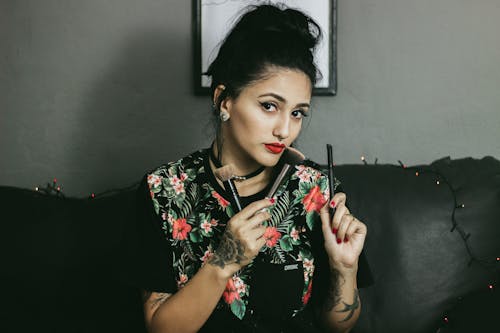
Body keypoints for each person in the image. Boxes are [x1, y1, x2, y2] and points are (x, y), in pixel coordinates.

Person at [132, 4, 372, 333]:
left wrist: (345, 268)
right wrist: (223, 262)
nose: (284, 130)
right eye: (269, 106)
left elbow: (338, 327)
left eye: (298, 113)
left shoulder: (316, 192)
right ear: (224, 100)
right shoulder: (163, 191)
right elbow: (162, 329)